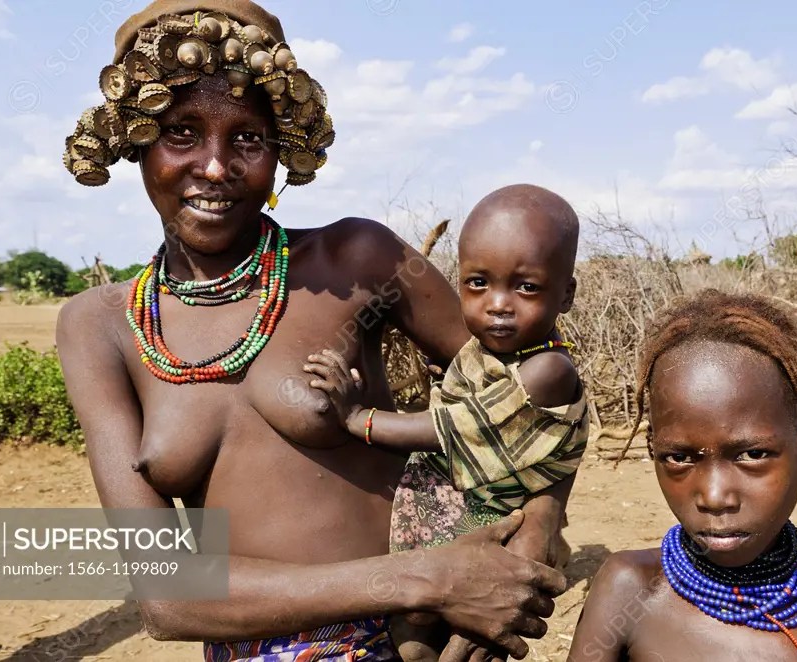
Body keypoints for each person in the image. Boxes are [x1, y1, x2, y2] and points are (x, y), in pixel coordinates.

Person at [54, 3, 566, 661]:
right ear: (135, 141)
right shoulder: (100, 327)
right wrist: (426, 576)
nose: (215, 167)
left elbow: (544, 383)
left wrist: (538, 523)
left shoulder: (356, 260)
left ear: (282, 148)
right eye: (182, 132)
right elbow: (168, 595)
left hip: (424, 640)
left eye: (248, 138)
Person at [305, 185, 586, 661]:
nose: (498, 303)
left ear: (566, 294)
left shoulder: (548, 369)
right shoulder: (497, 353)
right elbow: (171, 602)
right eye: (477, 284)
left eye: (527, 287)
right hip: (428, 556)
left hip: (480, 537)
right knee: (416, 641)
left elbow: (446, 430)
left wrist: (357, 419)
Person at [567, 291, 797, 661]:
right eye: (680, 457)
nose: (715, 497)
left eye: (752, 454)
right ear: (653, 448)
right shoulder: (631, 590)